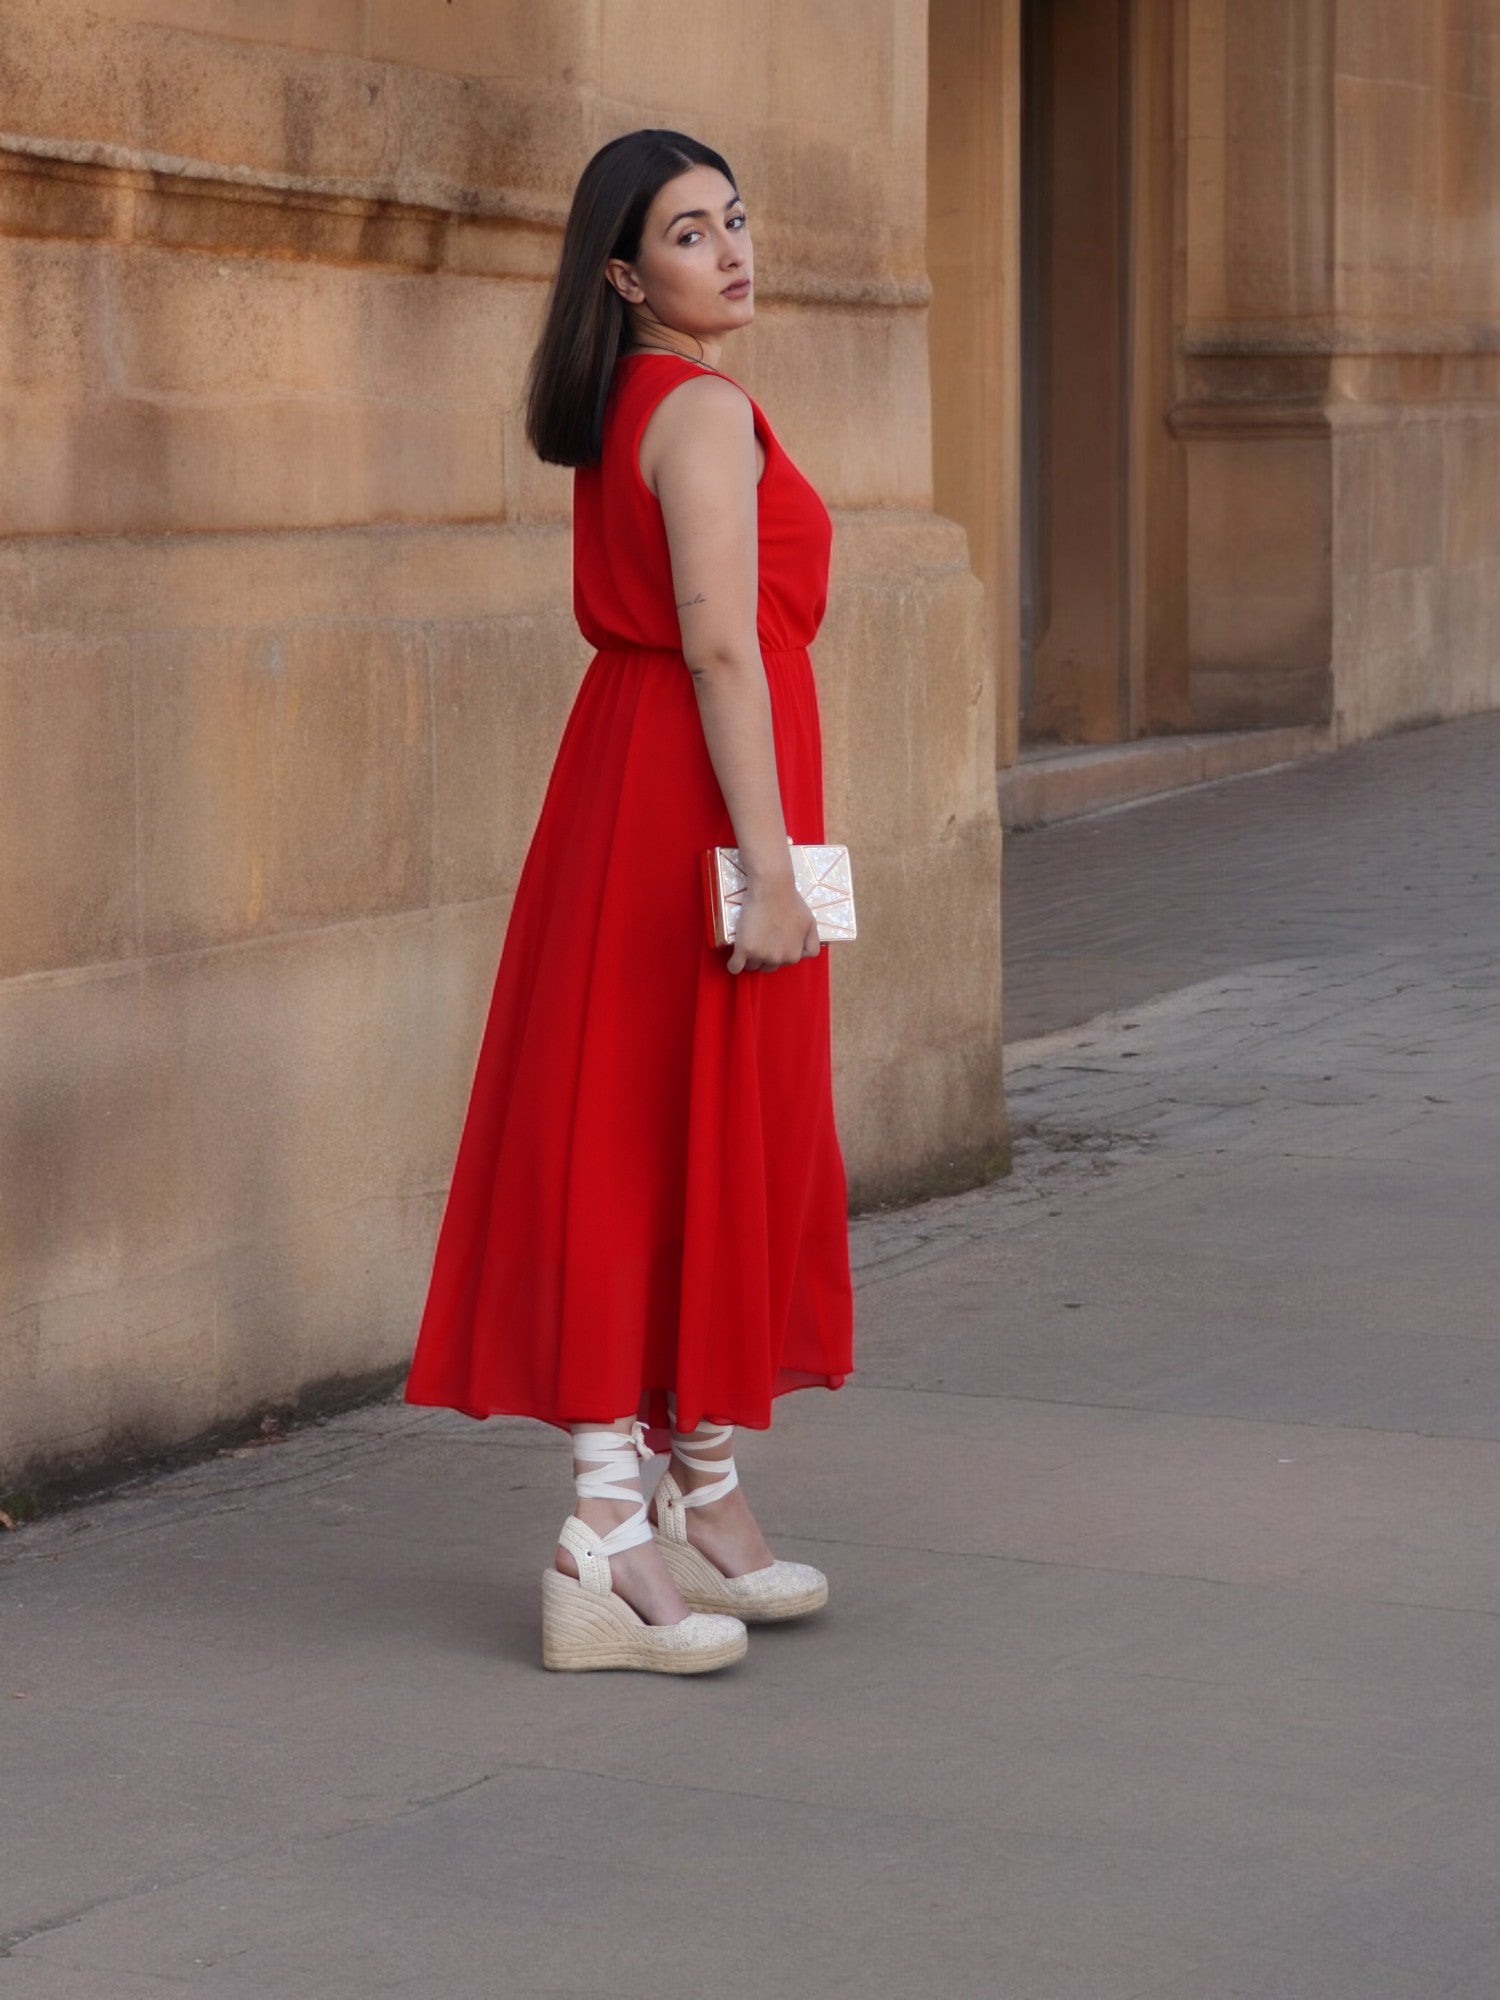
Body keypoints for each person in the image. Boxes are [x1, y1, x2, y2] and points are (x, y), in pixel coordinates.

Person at [402, 128, 855, 1674]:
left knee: (652, 1132)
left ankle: (696, 1493)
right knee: (673, 1136)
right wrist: (777, 865)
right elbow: (724, 649)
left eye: (736, 217)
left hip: (632, 789)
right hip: (695, 804)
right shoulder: (704, 410)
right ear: (622, 272)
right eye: (686, 232)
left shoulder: (636, 408)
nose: (731, 248)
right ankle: (605, 1533)